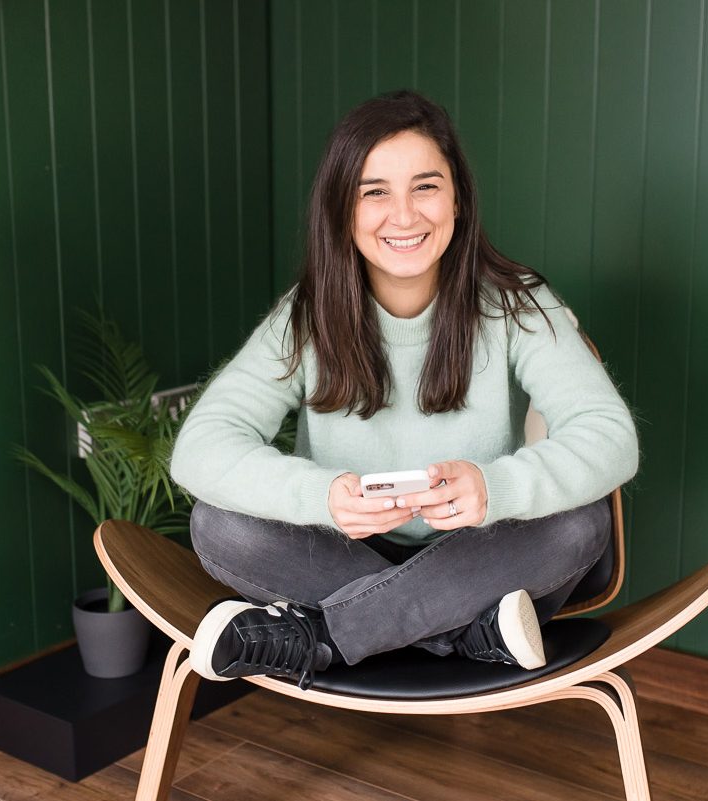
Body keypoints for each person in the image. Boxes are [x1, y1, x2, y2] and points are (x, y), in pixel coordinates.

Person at [170, 90, 638, 690]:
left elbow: (611, 437)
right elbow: (202, 447)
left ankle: (323, 640)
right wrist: (324, 498)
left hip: (481, 554)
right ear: (344, 210)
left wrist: (494, 489)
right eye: (375, 193)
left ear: (458, 199)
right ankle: (466, 637)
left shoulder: (518, 305)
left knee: (578, 529)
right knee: (219, 527)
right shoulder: (306, 318)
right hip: (348, 558)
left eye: (425, 186)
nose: (404, 215)